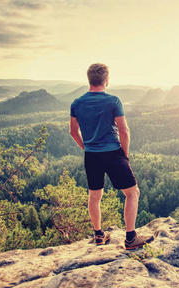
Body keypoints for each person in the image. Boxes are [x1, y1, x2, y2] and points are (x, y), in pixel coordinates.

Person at [70, 63, 153, 249]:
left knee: (94, 196)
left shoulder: (77, 103)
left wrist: (86, 147)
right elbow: (124, 130)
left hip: (91, 155)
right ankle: (130, 238)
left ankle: (99, 235)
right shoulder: (113, 101)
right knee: (132, 193)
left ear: (89, 79)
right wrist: (124, 155)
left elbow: (73, 131)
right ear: (106, 80)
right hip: (113, 153)